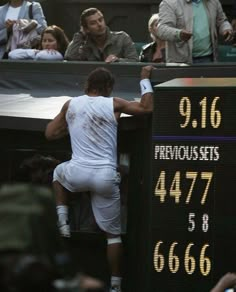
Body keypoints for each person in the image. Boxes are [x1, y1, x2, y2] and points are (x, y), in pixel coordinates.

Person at [45, 65, 154, 292]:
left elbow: (50, 133)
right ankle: (116, 286)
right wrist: (144, 79)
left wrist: (72, 127)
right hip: (105, 175)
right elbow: (147, 107)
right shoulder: (114, 104)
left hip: (76, 173)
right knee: (113, 237)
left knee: (57, 173)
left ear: (87, 85)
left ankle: (63, 222)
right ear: (108, 87)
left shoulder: (71, 104)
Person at [156, 0, 233, 63]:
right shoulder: (170, 3)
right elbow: (161, 29)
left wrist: (226, 28)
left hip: (209, 59)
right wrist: (178, 34)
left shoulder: (213, 2)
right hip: (181, 62)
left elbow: (222, 20)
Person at [65, 7, 138, 63]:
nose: (99, 24)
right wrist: (80, 34)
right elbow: (69, 58)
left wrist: (118, 61)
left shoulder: (122, 38)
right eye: (93, 23)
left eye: (100, 20)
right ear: (86, 29)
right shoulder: (83, 44)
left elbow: (135, 61)